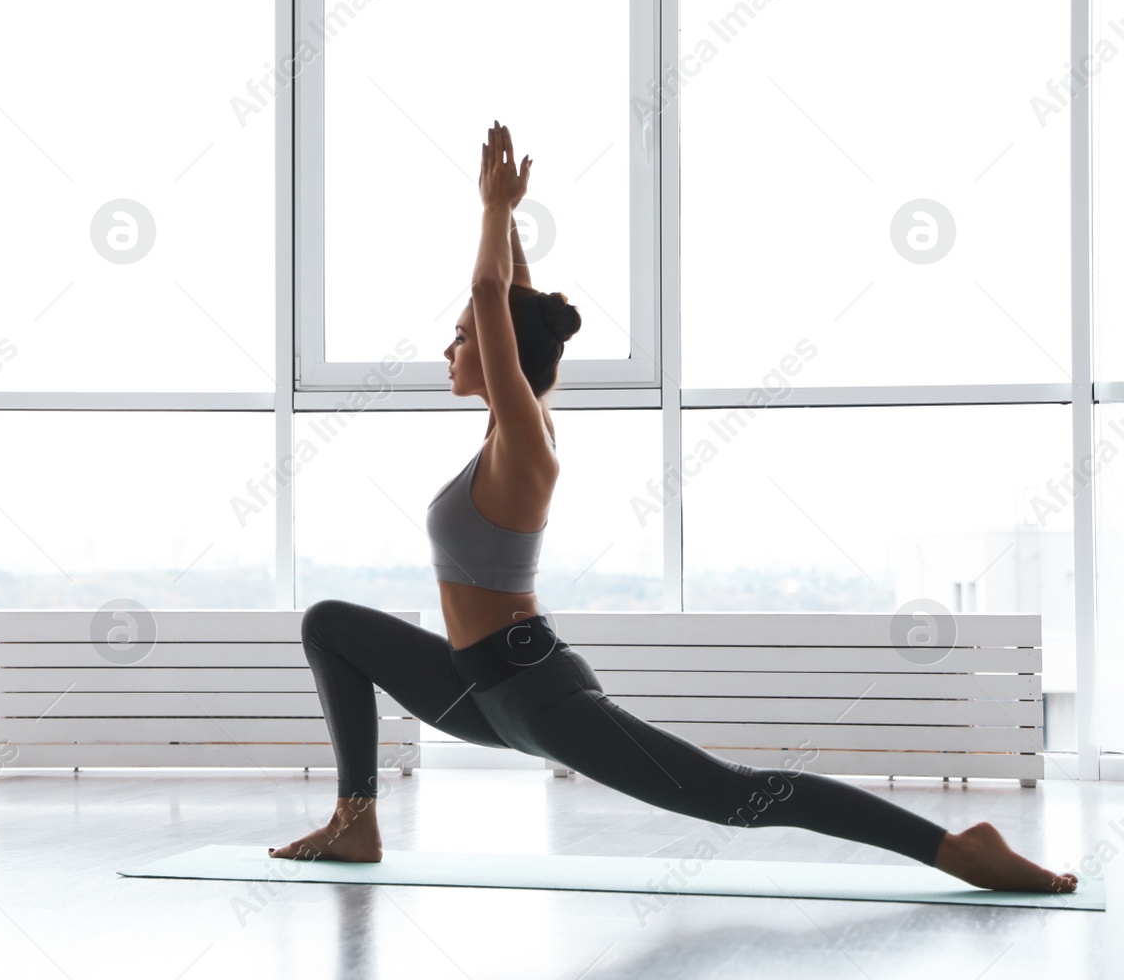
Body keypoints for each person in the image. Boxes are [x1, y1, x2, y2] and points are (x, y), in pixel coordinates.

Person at [270, 121, 1078, 894]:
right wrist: (509, 221)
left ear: (501, 353)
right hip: (475, 688)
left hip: (534, 696)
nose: (448, 348)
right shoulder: (500, 431)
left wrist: (490, 211)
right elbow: (505, 294)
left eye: (460, 335)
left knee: (737, 796)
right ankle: (356, 819)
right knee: (329, 624)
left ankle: (954, 847)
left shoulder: (527, 445)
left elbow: (489, 295)